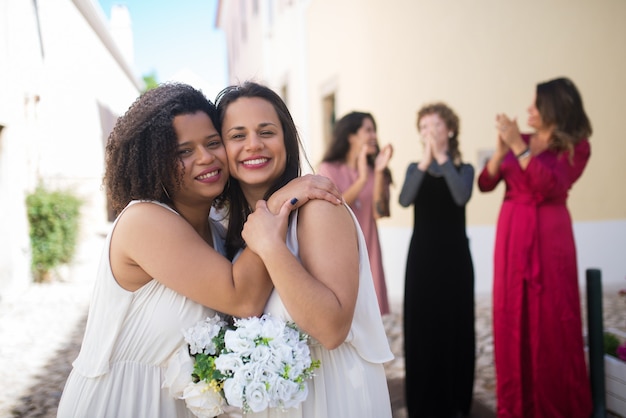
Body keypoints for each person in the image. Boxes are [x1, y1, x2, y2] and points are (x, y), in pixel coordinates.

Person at [56, 83, 342, 418]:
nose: (206, 158)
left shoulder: (220, 234)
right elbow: (243, 298)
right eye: (183, 151)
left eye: (212, 143)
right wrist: (279, 201)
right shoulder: (142, 221)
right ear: (154, 162)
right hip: (122, 401)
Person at [215, 81, 394, 418]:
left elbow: (331, 329)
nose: (253, 145)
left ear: (286, 140)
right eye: (237, 135)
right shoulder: (223, 227)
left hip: (332, 399)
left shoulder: (318, 209)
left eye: (266, 132)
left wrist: (270, 246)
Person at [478, 77, 593, 418]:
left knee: (552, 319)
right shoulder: (519, 140)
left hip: (550, 238)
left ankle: (555, 404)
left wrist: (519, 147)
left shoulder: (576, 147)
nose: (528, 109)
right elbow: (486, 183)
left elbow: (551, 186)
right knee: (511, 314)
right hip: (513, 236)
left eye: (535, 104)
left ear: (553, 108)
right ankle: (517, 405)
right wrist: (502, 150)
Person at [398, 102, 476, 418]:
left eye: (436, 127)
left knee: (455, 325)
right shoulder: (414, 168)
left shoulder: (464, 169)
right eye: (424, 128)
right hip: (423, 259)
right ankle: (422, 402)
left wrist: (442, 159)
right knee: (422, 327)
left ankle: (456, 402)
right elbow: (404, 199)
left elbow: (460, 196)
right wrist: (426, 162)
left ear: (450, 130)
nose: (429, 133)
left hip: (455, 259)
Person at [317, 111, 394, 315]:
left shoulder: (377, 170)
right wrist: (361, 180)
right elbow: (333, 206)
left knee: (370, 317)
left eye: (374, 130)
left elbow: (380, 212)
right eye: (368, 130)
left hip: (369, 251)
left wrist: (377, 173)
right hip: (339, 253)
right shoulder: (327, 169)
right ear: (351, 136)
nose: (374, 136)